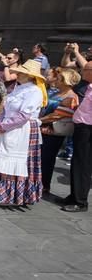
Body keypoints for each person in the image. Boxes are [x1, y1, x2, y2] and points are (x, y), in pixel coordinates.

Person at [0, 60, 46, 206]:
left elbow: (24, 115)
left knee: (19, 161)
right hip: (10, 126)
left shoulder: (34, 91)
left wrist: (4, 125)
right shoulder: (17, 88)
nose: (18, 74)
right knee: (5, 157)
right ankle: (3, 194)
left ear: (30, 76)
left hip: (23, 129)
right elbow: (6, 107)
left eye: (22, 73)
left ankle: (16, 195)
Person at [40, 68, 80, 196]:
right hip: (43, 128)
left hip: (54, 131)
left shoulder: (71, 97)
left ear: (66, 81)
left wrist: (37, 120)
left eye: (59, 78)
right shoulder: (56, 93)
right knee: (41, 158)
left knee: (47, 158)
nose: (56, 80)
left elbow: (58, 115)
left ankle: (44, 185)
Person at [63, 62, 92, 212]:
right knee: (77, 162)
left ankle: (81, 201)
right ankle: (74, 196)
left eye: (85, 70)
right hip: (81, 128)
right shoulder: (89, 88)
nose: (82, 72)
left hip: (88, 129)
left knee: (84, 165)